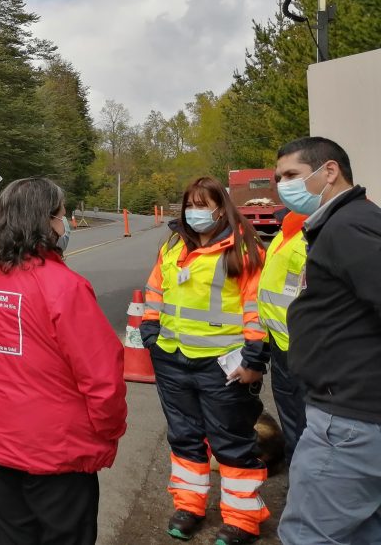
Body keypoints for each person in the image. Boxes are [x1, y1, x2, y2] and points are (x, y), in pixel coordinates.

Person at [0, 177, 127, 545]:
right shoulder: (65, 286)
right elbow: (102, 378)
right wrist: (108, 432)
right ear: (43, 221)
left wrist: (2, 399)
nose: (66, 225)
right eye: (62, 216)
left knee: (12, 534)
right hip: (57, 452)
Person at [141, 176, 269, 545]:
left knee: (232, 441)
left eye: (204, 204)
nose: (195, 212)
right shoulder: (172, 248)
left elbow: (254, 309)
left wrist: (254, 360)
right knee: (184, 438)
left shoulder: (242, 250)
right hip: (173, 360)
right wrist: (152, 336)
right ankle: (189, 507)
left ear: (221, 207)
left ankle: (242, 520)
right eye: (190, 205)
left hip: (224, 365)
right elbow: (154, 292)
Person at [275, 136, 381, 545]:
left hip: (348, 421)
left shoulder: (348, 225)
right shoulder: (344, 223)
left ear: (329, 171)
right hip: (355, 411)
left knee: (309, 535)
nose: (282, 185)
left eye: (291, 175)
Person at [257, 206, 308, 466]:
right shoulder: (285, 232)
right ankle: (297, 479)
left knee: (312, 425)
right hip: (280, 344)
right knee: (292, 422)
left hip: (311, 351)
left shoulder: (321, 234)